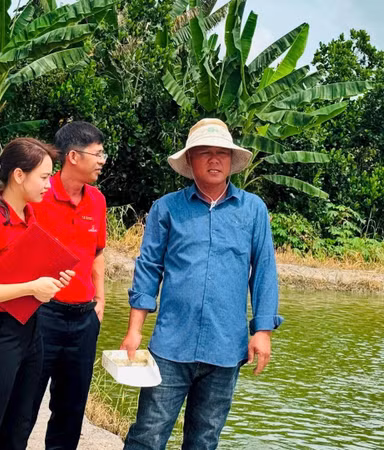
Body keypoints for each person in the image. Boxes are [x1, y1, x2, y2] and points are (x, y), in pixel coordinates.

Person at [120, 118, 284, 450]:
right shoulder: (167, 208)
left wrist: (263, 331)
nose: (214, 160)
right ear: (190, 160)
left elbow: (264, 271)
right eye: (204, 152)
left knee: (204, 440)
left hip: (226, 348)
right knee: (147, 435)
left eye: (221, 153)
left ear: (231, 160)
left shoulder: (253, 210)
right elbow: (149, 269)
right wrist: (135, 329)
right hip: (170, 346)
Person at [0, 137, 74, 450]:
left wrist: (51, 280)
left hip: (30, 330)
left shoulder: (29, 216)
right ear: (19, 175)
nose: (49, 185)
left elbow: (19, 271)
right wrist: (31, 288)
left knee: (18, 428)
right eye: (44, 177)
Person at [29, 121, 108, 449]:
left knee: (71, 409)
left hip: (83, 319)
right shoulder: (38, 195)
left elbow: (97, 253)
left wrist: (100, 301)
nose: (102, 160)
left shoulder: (97, 200)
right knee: (24, 402)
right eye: (98, 154)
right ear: (73, 156)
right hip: (41, 314)